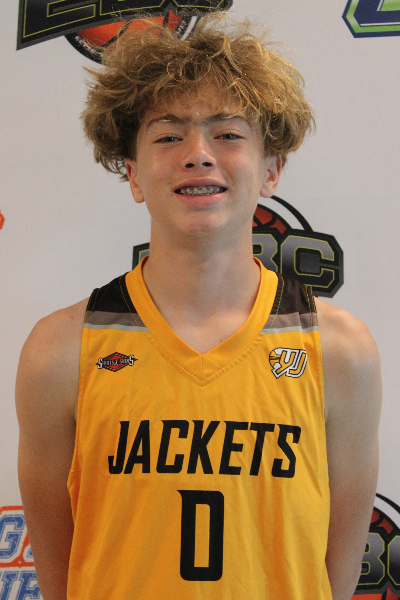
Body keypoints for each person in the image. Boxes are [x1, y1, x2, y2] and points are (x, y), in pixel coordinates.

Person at [16, 14, 381, 600]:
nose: (199, 154)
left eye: (228, 134)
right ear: (133, 174)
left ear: (271, 169)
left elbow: (336, 571)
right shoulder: (60, 350)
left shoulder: (339, 351)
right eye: (168, 136)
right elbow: (60, 575)